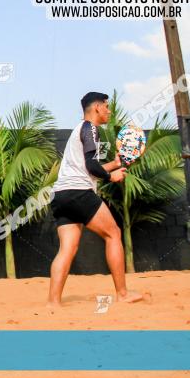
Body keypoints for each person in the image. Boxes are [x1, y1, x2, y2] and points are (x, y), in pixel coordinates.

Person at [47, 92, 144, 306]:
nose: (109, 111)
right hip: (79, 192)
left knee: (67, 249)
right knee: (113, 234)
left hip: (61, 195)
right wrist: (112, 176)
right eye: (107, 107)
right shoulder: (91, 128)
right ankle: (123, 295)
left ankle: (53, 303)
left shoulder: (78, 130)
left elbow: (88, 168)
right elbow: (91, 167)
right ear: (98, 107)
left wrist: (116, 163)